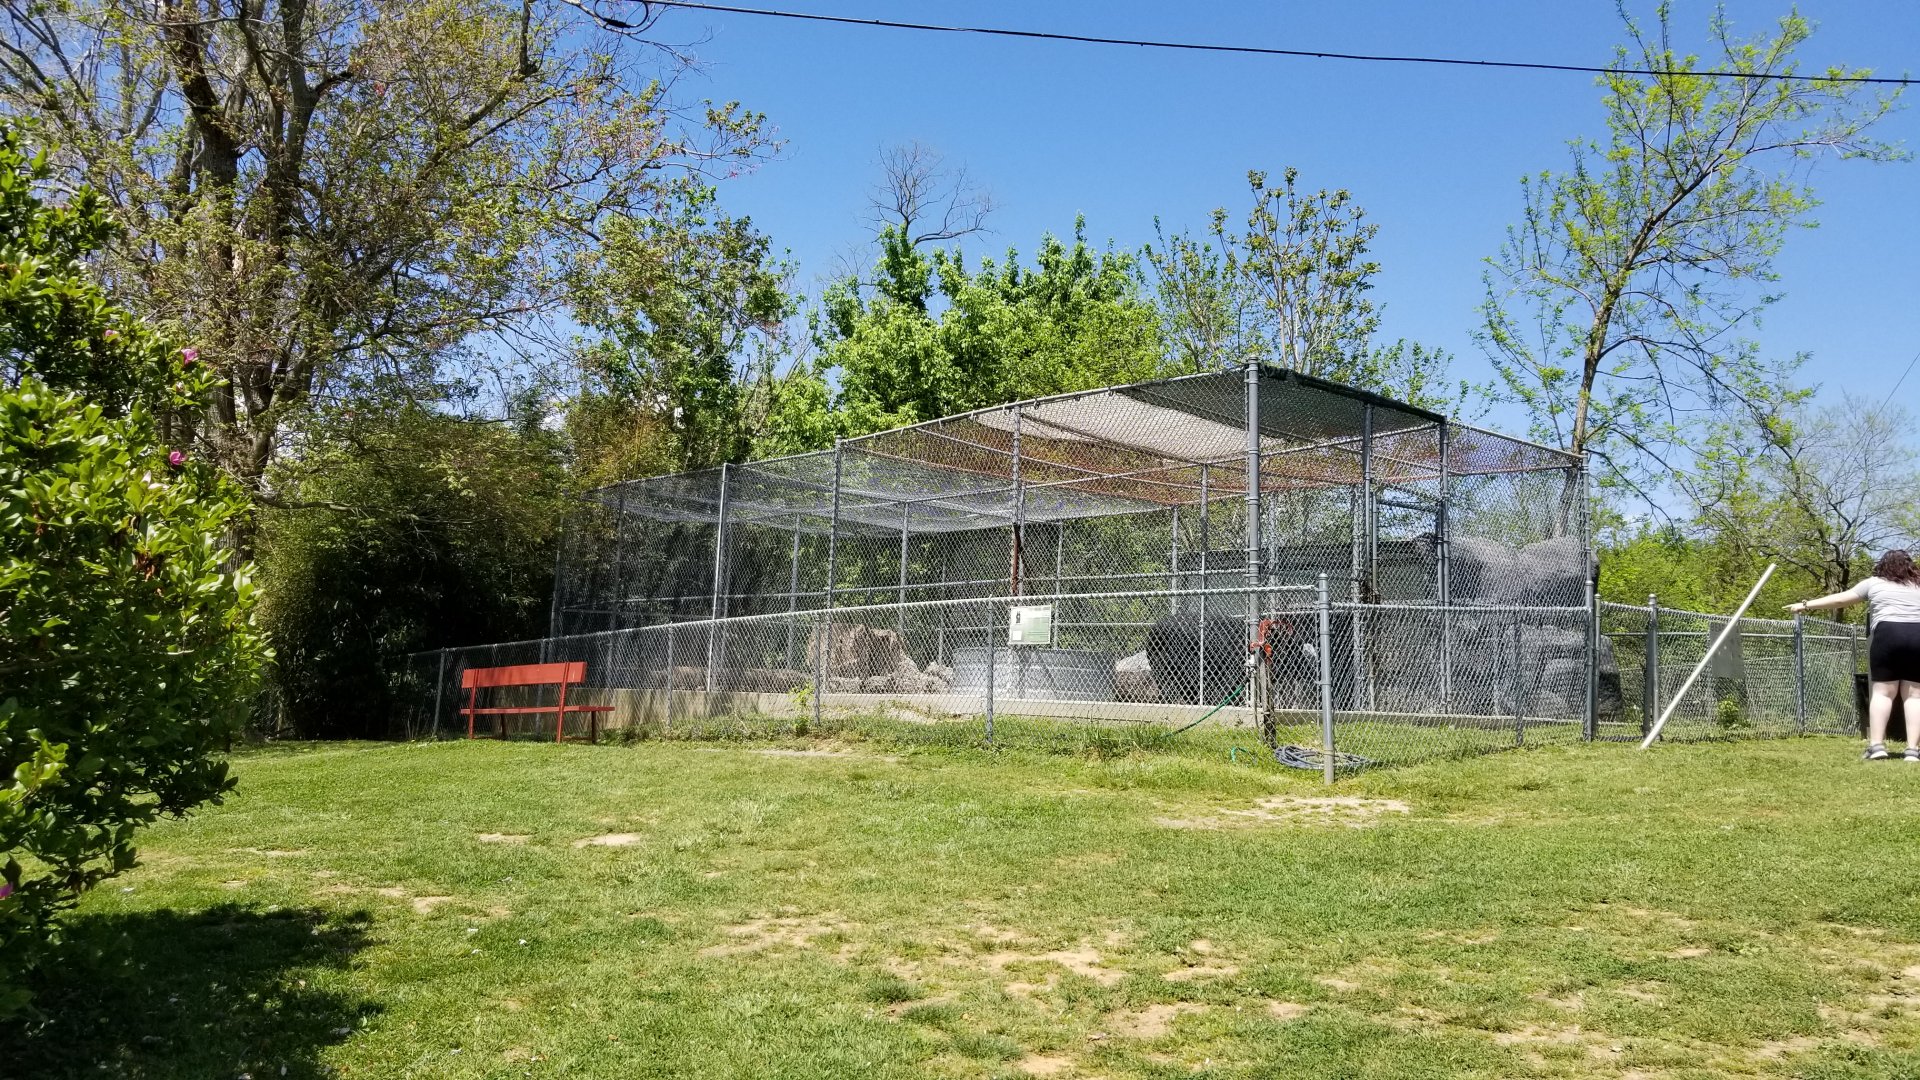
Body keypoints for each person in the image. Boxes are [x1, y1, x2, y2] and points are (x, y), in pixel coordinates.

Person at [1788, 550, 1920, 760]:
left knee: (1883, 692)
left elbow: (1841, 600)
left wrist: (1805, 605)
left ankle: (1876, 746)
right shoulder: (1917, 585)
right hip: (1917, 635)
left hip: (1887, 634)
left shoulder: (1874, 583)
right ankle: (1912, 750)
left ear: (1882, 566)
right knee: (1914, 695)